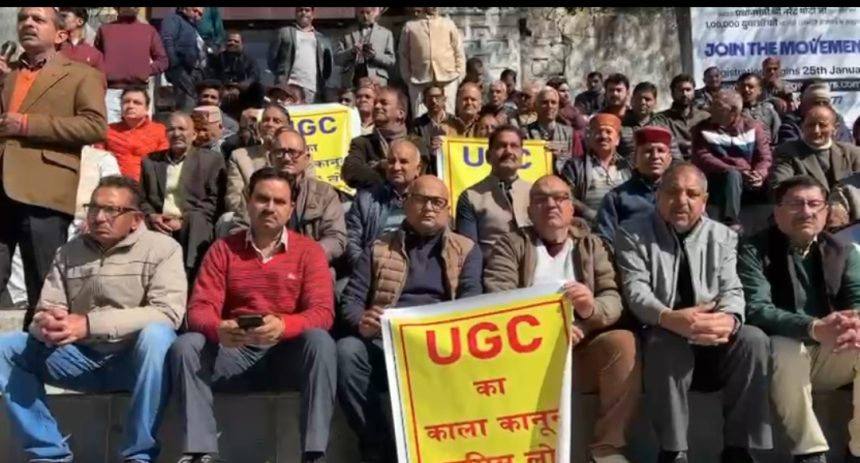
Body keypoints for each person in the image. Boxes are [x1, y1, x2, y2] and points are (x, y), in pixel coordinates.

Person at [0, 175, 187, 463]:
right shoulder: (69, 251)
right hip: (77, 359)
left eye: (112, 210)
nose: (99, 217)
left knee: (158, 336)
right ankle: (48, 453)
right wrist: (48, 323)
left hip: (133, 361)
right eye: (94, 208)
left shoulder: (163, 249)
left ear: (136, 219)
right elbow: (45, 309)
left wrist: (88, 324)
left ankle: (138, 454)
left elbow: (167, 313)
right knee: (7, 347)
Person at [169, 167, 336, 463]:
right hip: (234, 352)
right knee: (187, 346)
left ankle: (313, 454)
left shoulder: (308, 251)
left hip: (286, 353)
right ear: (248, 200)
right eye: (262, 199)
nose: (270, 207)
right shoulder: (223, 250)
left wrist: (284, 325)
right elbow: (199, 309)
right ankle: (200, 452)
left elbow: (322, 312)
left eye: (279, 201)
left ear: (291, 209)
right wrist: (219, 328)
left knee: (320, 342)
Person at [614, 163, 772, 463]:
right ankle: (673, 450)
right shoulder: (632, 233)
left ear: (705, 200)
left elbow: (732, 288)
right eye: (672, 192)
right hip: (664, 331)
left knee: (753, 340)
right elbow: (636, 291)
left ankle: (738, 449)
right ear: (658, 195)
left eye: (691, 194)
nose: (682, 200)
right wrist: (669, 318)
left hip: (712, 333)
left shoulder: (723, 236)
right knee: (664, 343)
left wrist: (729, 319)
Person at [484, 175, 639, 463]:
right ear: (529, 211)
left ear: (571, 207)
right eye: (541, 199)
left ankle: (607, 448)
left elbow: (613, 298)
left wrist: (590, 310)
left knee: (623, 342)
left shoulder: (592, 245)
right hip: (526, 355)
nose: (551, 205)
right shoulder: (510, 245)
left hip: (580, 350)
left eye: (559, 198)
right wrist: (552, 330)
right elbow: (499, 297)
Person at [337, 175, 482, 463]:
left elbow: (471, 301)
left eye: (437, 202)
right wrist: (362, 321)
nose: (429, 208)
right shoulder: (379, 248)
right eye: (421, 200)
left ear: (448, 209)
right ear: (405, 203)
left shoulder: (466, 249)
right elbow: (351, 300)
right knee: (346, 352)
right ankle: (377, 447)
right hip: (386, 343)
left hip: (441, 346)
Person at [738, 175, 860, 463]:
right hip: (779, 361)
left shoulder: (843, 251)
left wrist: (855, 322)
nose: (806, 212)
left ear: (826, 212)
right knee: (784, 346)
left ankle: (858, 451)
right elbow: (756, 308)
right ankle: (809, 452)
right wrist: (813, 327)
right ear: (777, 211)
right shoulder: (753, 249)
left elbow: (857, 296)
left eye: (814, 204)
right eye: (795, 204)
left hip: (829, 354)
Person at [0, 7, 108, 329]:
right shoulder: (7, 74)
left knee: (44, 287)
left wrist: (28, 125)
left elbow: (94, 126)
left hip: (43, 189)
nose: (28, 23)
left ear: (61, 34)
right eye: (23, 19)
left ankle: (40, 351)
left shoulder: (81, 74)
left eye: (38, 19)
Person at [140, 112, 225, 280]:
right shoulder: (150, 162)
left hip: (193, 222)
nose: (176, 134)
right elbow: (141, 198)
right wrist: (152, 216)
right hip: (159, 222)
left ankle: (190, 278)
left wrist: (182, 221)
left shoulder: (211, 160)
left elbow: (214, 200)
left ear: (193, 134)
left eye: (182, 129)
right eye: (171, 129)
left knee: (196, 221)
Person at [691, 89, 771, 229]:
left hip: (747, 180)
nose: (710, 109)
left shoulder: (753, 128)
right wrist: (736, 170)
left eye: (717, 105)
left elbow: (764, 157)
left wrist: (759, 175)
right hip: (718, 180)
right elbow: (703, 158)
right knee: (732, 176)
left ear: (733, 110)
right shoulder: (703, 129)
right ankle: (731, 223)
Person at [268, 127, 347, 264]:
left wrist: (303, 257)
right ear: (271, 158)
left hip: (311, 266)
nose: (286, 158)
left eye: (293, 153)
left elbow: (336, 238)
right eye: (280, 152)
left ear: (306, 158)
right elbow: (240, 229)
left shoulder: (324, 193)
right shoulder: (255, 191)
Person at [456, 125, 532, 259]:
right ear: (488, 156)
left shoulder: (536, 194)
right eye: (501, 146)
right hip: (491, 268)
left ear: (522, 155)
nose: (508, 151)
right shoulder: (471, 197)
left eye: (514, 146)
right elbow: (469, 252)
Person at [346, 138, 423, 266]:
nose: (396, 167)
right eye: (391, 162)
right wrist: (366, 268)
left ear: (418, 169)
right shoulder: (366, 199)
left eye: (403, 162)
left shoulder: (429, 200)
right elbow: (351, 240)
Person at [596, 126, 674, 246]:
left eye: (661, 151)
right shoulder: (616, 199)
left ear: (669, 157)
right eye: (648, 151)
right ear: (634, 158)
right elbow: (605, 242)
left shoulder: (680, 195)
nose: (655, 156)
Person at [343, 86, 429, 189]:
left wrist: (378, 166)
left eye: (384, 103)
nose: (377, 106)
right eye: (375, 103)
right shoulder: (362, 143)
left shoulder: (417, 143)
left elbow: (419, 175)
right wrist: (388, 171)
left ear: (400, 114)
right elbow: (351, 173)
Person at [224, 104, 292, 229]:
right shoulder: (240, 156)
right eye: (265, 120)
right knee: (227, 219)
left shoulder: (297, 156)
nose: (269, 124)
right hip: (250, 217)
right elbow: (233, 199)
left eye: (276, 121)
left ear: (287, 128)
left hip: (289, 215)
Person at [96, 6, 168, 123]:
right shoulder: (104, 30)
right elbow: (96, 59)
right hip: (111, 92)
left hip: (139, 91)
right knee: (110, 132)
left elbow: (162, 60)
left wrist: (144, 71)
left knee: (140, 131)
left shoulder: (148, 30)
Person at [770, 105, 860, 194]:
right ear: (802, 126)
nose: (816, 130)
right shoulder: (787, 151)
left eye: (822, 125)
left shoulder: (853, 153)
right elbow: (780, 189)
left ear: (835, 128)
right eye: (810, 125)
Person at [560, 114, 632, 225]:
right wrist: (592, 214)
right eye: (598, 132)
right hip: (588, 227)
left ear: (617, 139)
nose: (603, 136)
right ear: (589, 137)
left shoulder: (627, 167)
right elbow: (567, 195)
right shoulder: (574, 166)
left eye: (608, 132)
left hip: (623, 226)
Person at [398, 7, 465, 116]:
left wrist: (459, 74)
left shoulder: (448, 24)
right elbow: (403, 53)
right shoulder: (411, 26)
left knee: (448, 114)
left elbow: (458, 50)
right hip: (419, 78)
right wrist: (407, 77)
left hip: (448, 77)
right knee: (419, 115)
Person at [269, 7, 335, 104]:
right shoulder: (284, 32)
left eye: (307, 10)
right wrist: (281, 78)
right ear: (296, 13)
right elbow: (272, 59)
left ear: (313, 14)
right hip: (289, 87)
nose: (303, 13)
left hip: (312, 89)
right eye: (300, 10)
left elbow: (327, 68)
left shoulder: (322, 39)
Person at [104, 86, 169, 181]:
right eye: (126, 102)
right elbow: (98, 160)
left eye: (137, 103)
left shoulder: (160, 131)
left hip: (147, 184)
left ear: (147, 108)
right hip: (116, 184)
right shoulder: (108, 130)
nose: (130, 106)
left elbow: (163, 163)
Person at [653, 74, 711, 159]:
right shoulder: (662, 119)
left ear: (693, 92)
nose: (685, 94)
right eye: (680, 90)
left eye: (688, 90)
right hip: (674, 163)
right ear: (672, 93)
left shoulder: (705, 117)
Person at [205, 30, 263, 114]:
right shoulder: (218, 58)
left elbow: (254, 76)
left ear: (242, 44)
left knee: (258, 87)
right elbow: (211, 75)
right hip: (222, 89)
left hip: (242, 91)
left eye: (236, 41)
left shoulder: (249, 59)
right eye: (230, 40)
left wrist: (239, 88)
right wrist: (222, 89)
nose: (232, 43)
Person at [619, 81, 681, 160]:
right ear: (632, 100)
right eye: (638, 99)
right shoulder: (619, 125)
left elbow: (676, 158)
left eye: (647, 99)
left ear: (655, 103)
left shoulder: (662, 127)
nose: (642, 102)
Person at [336, 7, 395, 88]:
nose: (365, 16)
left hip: (377, 81)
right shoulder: (347, 33)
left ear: (374, 13)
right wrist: (351, 52)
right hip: (352, 80)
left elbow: (391, 61)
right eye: (362, 12)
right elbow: (337, 59)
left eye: (368, 12)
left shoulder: (386, 34)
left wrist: (375, 55)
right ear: (357, 13)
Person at [778, 80, 853, 144]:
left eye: (825, 103)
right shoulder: (791, 123)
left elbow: (846, 146)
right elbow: (790, 149)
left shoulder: (837, 120)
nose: (821, 107)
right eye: (816, 103)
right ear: (804, 105)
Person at [160, 7, 206, 112]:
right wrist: (174, 63)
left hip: (194, 71)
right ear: (184, 9)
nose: (197, 15)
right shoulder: (174, 19)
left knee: (193, 100)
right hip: (180, 68)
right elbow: (167, 40)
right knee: (187, 101)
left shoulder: (194, 28)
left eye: (200, 14)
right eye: (195, 11)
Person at [524, 86, 577, 173]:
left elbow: (577, 164)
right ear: (535, 106)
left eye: (553, 102)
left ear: (558, 106)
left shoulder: (570, 134)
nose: (549, 106)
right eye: (544, 102)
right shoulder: (525, 133)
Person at [411, 83, 457, 155]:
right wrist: (428, 146)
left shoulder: (455, 122)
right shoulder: (417, 125)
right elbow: (414, 147)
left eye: (437, 97)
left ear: (444, 99)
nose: (434, 101)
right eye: (430, 98)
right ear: (424, 102)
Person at [736, 72, 781, 146]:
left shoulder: (768, 109)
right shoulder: (733, 112)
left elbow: (777, 134)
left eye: (750, 87)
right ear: (737, 89)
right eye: (743, 87)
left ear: (759, 90)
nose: (746, 89)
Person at [58, 7, 104, 72]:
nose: (59, 20)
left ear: (80, 21)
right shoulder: (54, 46)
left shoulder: (94, 53)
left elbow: (101, 76)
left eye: (64, 16)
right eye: (58, 16)